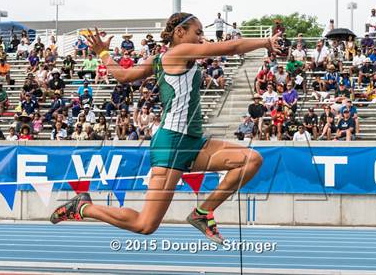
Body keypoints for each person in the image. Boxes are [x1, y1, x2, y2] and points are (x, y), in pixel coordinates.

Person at [50, 13, 280, 243]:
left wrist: (103, 53)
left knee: (251, 160)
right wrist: (265, 42)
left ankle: (203, 213)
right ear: (180, 32)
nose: (201, 37)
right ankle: (84, 207)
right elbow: (232, 47)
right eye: (197, 32)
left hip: (192, 141)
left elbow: (124, 75)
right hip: (171, 143)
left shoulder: (159, 59)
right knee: (145, 225)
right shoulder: (179, 52)